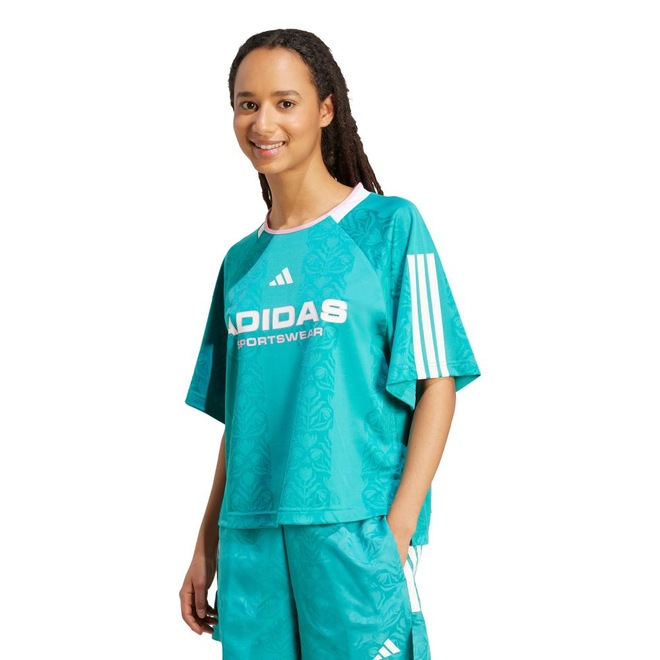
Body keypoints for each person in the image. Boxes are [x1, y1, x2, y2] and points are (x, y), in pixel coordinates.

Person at [179, 28, 480, 659]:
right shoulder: (240, 264)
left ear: (325, 109)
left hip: (354, 531)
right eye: (247, 103)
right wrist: (206, 545)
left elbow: (438, 382)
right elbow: (241, 421)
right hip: (251, 539)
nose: (263, 122)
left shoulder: (388, 227)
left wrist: (396, 531)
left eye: (285, 102)